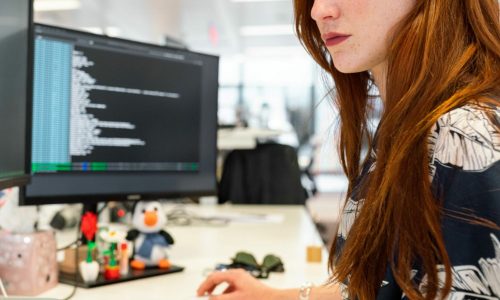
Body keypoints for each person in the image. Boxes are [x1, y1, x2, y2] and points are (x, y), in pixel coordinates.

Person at [197, 0, 500, 299]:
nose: (317, 11)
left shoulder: (463, 135)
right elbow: (380, 286)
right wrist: (274, 296)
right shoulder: (411, 125)